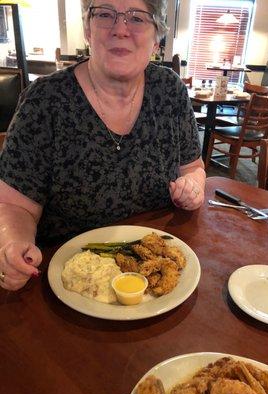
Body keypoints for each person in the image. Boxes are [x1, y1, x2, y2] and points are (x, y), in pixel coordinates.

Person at [0, 0, 206, 291]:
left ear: (157, 36)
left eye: (137, 18)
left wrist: (194, 187)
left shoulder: (170, 90)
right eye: (106, 15)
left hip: (153, 284)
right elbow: (12, 205)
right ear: (88, 28)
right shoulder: (45, 100)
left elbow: (194, 168)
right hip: (69, 280)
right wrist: (14, 244)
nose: (120, 29)